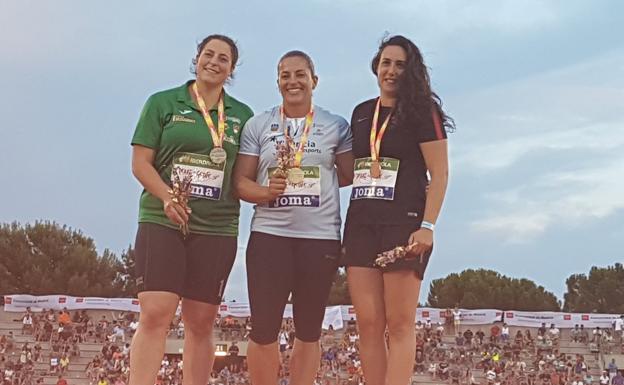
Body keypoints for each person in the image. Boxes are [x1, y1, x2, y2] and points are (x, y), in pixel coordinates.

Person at [129, 34, 253, 385]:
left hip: (216, 225)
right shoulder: (163, 103)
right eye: (208, 54)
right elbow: (140, 163)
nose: (214, 62)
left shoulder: (243, 116)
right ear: (197, 59)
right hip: (161, 218)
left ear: (232, 69)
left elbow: (246, 174)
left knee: (201, 322)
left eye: (223, 58)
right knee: (156, 312)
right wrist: (167, 197)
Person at [233, 50, 353, 385]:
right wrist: (267, 192)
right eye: (285, 75)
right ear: (278, 82)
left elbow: (348, 174)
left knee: (310, 329)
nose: (293, 81)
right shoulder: (258, 124)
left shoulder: (336, 125)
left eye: (300, 74)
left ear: (314, 80)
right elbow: (241, 183)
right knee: (263, 329)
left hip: (320, 238)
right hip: (270, 236)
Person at [342, 35, 452, 385]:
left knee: (400, 322)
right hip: (360, 224)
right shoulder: (361, 113)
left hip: (403, 225)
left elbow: (441, 173)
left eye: (400, 64)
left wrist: (428, 225)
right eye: (386, 63)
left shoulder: (422, 111)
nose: (391, 70)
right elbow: (346, 169)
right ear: (376, 66)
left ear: (411, 70)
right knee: (368, 321)